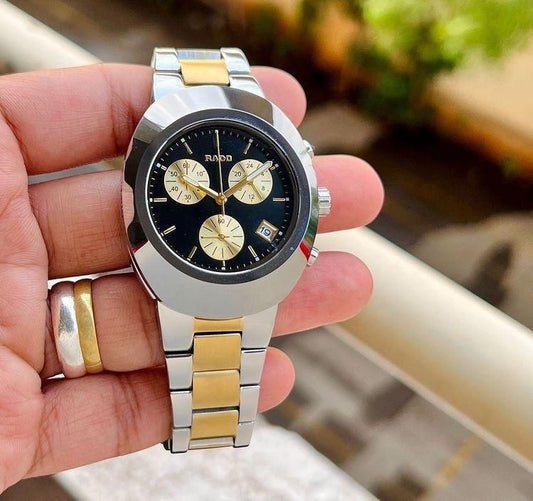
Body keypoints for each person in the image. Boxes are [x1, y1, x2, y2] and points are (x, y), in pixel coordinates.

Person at [0, 63, 383, 491]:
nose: (221, 199)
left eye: (229, 193)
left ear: (313, 200)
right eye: (213, 194)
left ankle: (208, 424)